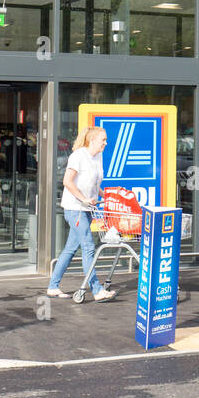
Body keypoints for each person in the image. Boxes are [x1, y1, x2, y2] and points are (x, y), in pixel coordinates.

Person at [47, 125, 116, 301]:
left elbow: (93, 184)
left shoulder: (98, 156)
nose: (106, 143)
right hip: (75, 209)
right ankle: (97, 289)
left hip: (88, 209)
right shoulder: (78, 156)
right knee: (88, 247)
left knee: (70, 249)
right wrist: (84, 198)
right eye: (103, 140)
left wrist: (107, 195)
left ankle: (53, 286)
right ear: (92, 140)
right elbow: (67, 181)